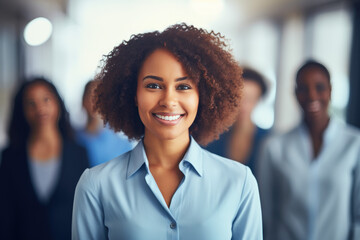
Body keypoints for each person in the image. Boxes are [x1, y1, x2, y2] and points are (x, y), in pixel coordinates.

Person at [72, 23, 263, 240]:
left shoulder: (239, 182)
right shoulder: (96, 185)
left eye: (183, 87)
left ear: (204, 96)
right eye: (153, 86)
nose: (169, 101)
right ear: (133, 94)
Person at [257, 60, 360, 240]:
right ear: (295, 93)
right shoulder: (273, 148)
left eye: (319, 87)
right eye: (303, 89)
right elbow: (265, 215)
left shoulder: (355, 144)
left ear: (330, 90)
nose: (312, 95)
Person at [0, 77, 89, 240]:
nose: (40, 108)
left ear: (58, 104)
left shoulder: (79, 153)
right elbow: (5, 214)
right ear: (22, 111)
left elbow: (87, 210)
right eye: (31, 103)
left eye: (46, 99)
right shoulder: (10, 157)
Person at [205, 67, 269, 175]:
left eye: (250, 99)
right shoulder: (212, 136)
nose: (243, 106)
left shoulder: (270, 139)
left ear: (259, 100)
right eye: (238, 98)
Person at [76, 79, 135, 167]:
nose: (95, 102)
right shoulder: (73, 139)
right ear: (83, 102)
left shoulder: (123, 145)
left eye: (100, 96)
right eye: (90, 96)